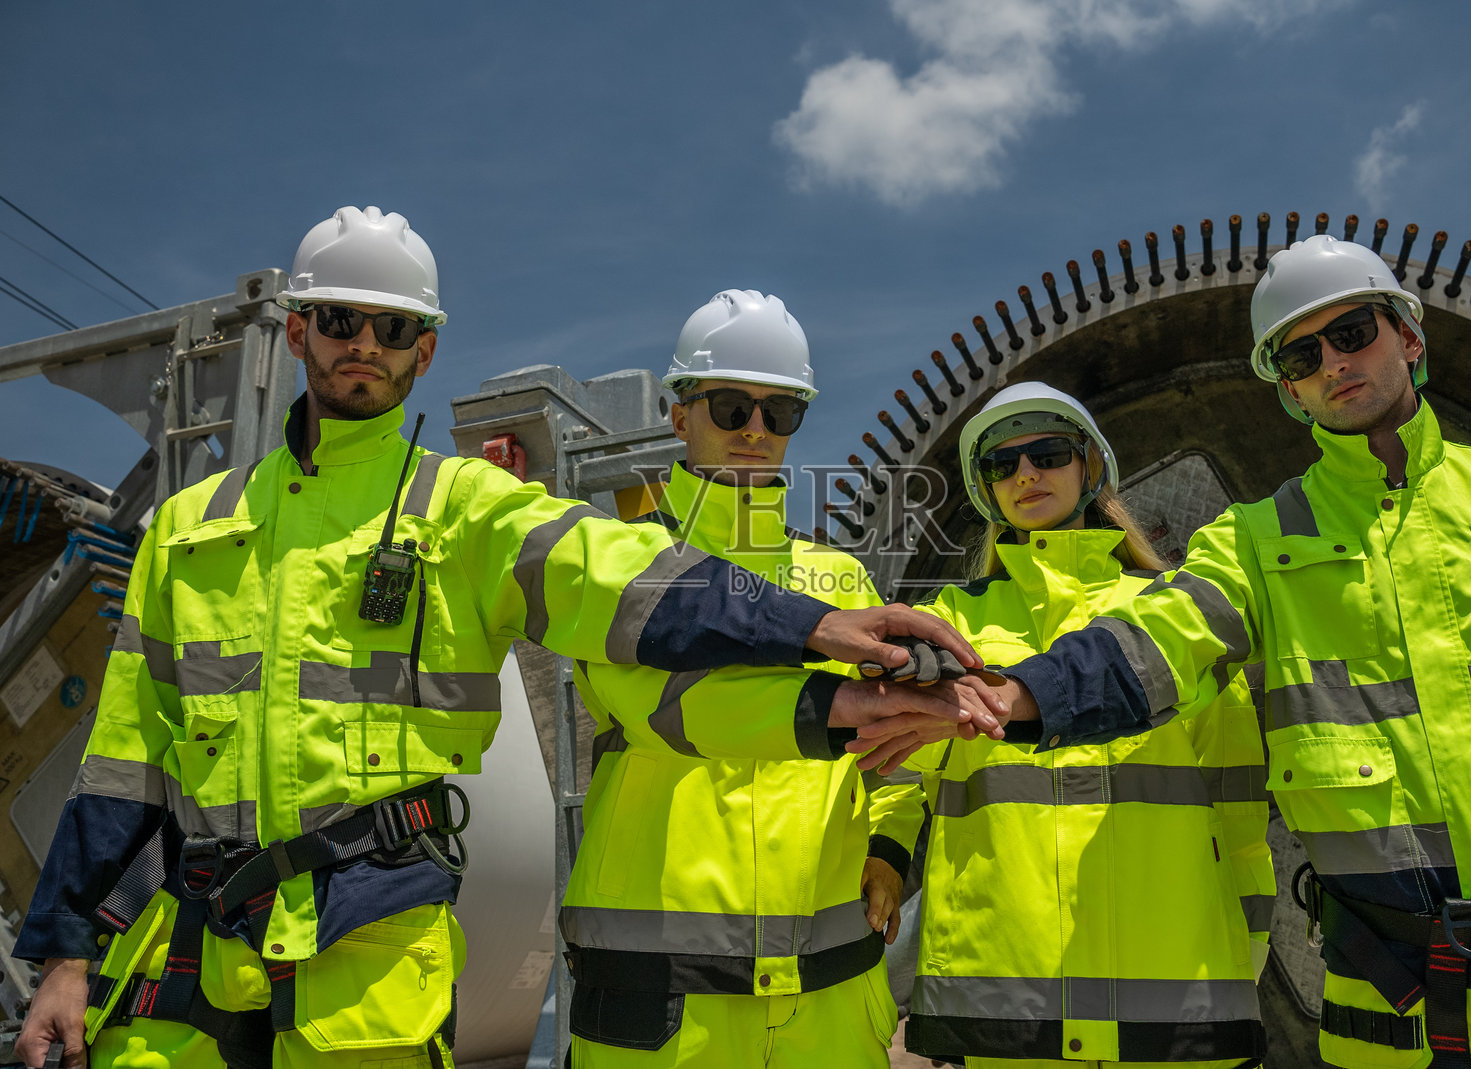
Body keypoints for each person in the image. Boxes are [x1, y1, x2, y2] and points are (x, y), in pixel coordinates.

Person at [13, 208, 1002, 1069]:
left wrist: (816, 625)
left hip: (365, 946)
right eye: (342, 320)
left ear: (424, 351)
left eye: (393, 327)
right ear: (299, 328)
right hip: (188, 952)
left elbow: (626, 579)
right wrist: (65, 951)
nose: (365, 343)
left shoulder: (467, 510)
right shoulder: (190, 529)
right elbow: (124, 758)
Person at [869, 236, 1471, 1069]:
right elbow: (1152, 646)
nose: (1333, 363)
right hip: (1401, 995)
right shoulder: (1255, 542)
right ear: (1287, 388)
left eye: (1353, 333)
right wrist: (1012, 697)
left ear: (1408, 335)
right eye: (1301, 356)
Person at [559, 289, 945, 1067]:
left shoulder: (841, 580)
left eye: (782, 411)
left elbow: (901, 757)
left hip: (830, 999)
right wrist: (842, 701)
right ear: (680, 415)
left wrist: (887, 849)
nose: (756, 431)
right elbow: (656, 705)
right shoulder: (623, 565)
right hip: (666, 1004)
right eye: (732, 406)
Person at [885, 382, 1272, 1068]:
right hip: (1007, 999)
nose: (1026, 474)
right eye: (1002, 464)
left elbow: (1237, 801)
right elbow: (899, 770)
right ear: (986, 489)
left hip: (1173, 988)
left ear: (1090, 465)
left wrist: (1250, 943)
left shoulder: (1170, 618)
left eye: (1048, 454)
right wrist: (884, 857)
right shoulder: (950, 622)